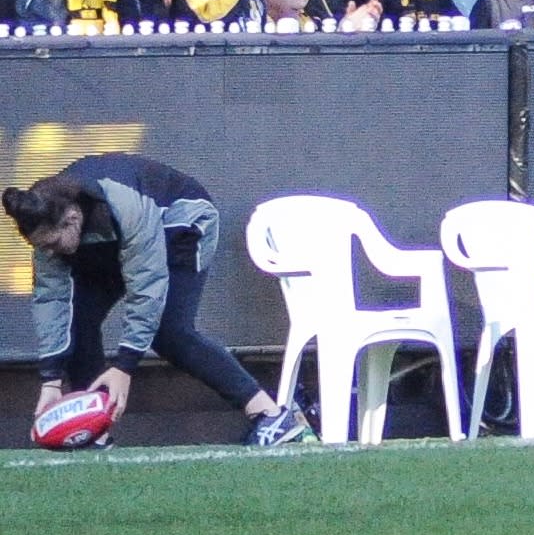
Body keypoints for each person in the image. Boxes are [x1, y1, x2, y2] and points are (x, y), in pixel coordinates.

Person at [11, 152, 311, 446]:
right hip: (112, 246)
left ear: (72, 219)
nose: (49, 253)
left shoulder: (124, 205)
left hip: (179, 223)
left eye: (52, 244)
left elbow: (147, 285)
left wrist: (125, 367)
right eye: (41, 248)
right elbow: (51, 302)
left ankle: (270, 415)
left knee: (170, 332)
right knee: (77, 322)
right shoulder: (50, 228)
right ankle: (92, 433)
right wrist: (50, 380)